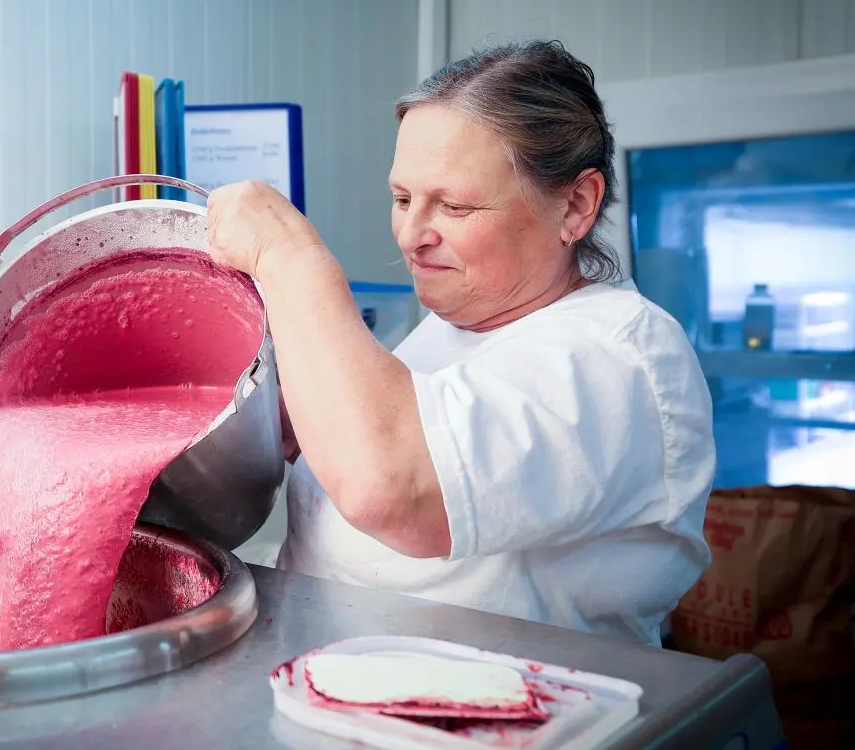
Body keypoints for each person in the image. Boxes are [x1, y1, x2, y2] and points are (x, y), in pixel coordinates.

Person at [205, 40, 715, 646]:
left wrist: (291, 256)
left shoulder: (620, 357)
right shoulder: (455, 321)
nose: (411, 235)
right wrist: (299, 426)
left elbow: (392, 489)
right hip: (332, 678)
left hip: (507, 701)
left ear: (575, 205)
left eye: (454, 205)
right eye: (402, 199)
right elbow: (386, 437)